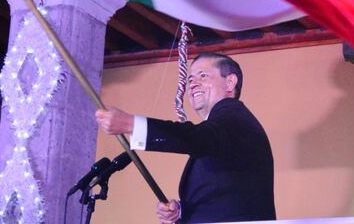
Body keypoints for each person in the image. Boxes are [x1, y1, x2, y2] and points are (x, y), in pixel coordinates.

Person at [95, 53, 275, 223]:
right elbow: (223, 193)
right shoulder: (222, 130)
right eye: (190, 79)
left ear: (230, 82)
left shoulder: (233, 117)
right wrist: (182, 210)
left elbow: (195, 138)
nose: (193, 84)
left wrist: (131, 124)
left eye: (203, 76)